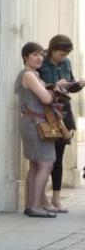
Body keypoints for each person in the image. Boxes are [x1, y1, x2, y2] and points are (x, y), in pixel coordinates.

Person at [37, 34, 82, 213]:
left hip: (64, 114)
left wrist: (78, 84)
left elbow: (70, 88)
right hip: (46, 115)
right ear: (53, 49)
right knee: (47, 158)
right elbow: (38, 87)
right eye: (61, 54)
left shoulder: (67, 63)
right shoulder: (41, 62)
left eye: (66, 54)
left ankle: (56, 198)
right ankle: (42, 198)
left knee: (59, 157)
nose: (64, 57)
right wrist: (56, 84)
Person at [18, 41, 60, 219]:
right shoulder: (28, 75)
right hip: (36, 125)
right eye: (35, 54)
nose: (39, 58)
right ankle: (35, 206)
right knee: (46, 163)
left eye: (41, 55)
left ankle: (31, 205)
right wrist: (56, 91)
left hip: (33, 123)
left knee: (35, 165)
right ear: (25, 57)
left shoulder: (34, 74)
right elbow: (46, 99)